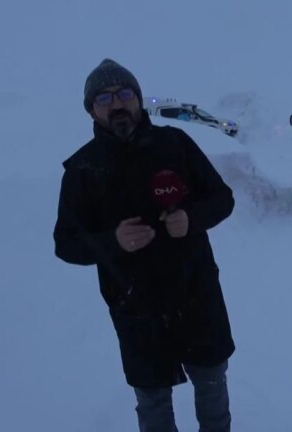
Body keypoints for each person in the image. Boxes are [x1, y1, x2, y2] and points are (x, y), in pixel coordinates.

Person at [53, 58, 235, 432]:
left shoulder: (176, 144)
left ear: (138, 99)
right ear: (91, 108)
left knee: (213, 392)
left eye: (124, 93)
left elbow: (222, 198)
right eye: (104, 97)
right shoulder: (82, 170)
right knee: (153, 405)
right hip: (136, 309)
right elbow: (66, 243)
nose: (116, 103)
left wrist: (192, 219)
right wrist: (112, 242)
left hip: (197, 294)